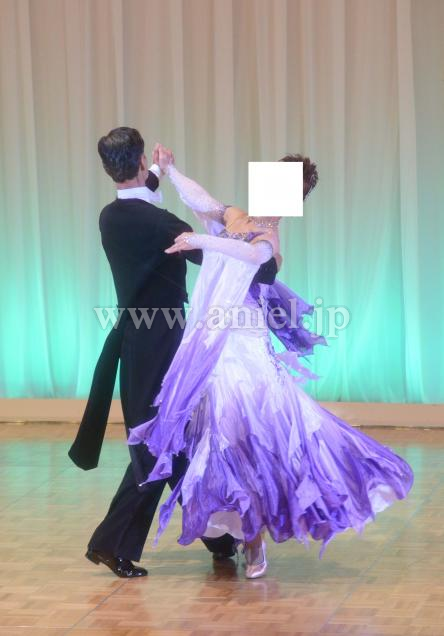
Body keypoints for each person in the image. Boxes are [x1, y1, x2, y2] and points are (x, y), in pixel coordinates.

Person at [128, 147, 414, 579]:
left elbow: (252, 257)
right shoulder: (237, 216)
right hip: (213, 344)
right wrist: (171, 170)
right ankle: (247, 538)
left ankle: (255, 541)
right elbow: (204, 202)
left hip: (245, 349)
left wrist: (199, 240)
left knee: (253, 439)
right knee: (223, 440)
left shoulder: (270, 240)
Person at [68, 127, 280, 578]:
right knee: (158, 449)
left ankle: (219, 538)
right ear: (140, 160)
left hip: (135, 341)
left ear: (110, 169)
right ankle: (110, 543)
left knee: (182, 447)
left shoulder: (110, 217)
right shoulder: (161, 224)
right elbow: (218, 256)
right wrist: (263, 247)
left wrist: (160, 172)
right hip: (162, 345)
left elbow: (141, 194)